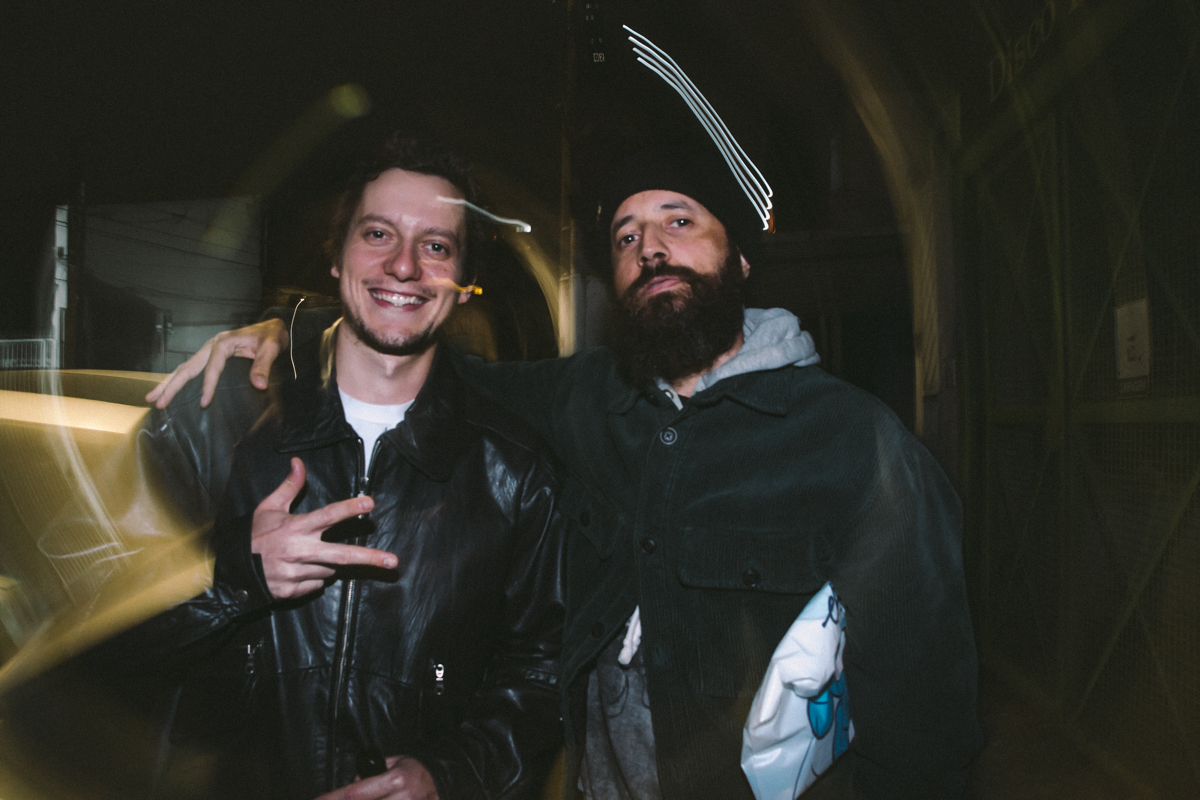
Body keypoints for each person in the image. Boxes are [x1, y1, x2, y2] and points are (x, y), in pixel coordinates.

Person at [151, 143, 983, 799]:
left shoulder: (852, 443)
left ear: (738, 260)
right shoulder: (586, 399)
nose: (650, 248)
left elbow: (926, 719)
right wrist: (294, 331)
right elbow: (419, 356)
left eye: (679, 221)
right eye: (626, 237)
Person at [119, 136, 568, 800]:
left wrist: (449, 774)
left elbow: (541, 673)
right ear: (337, 257)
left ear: (463, 283)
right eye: (377, 234)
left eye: (436, 246)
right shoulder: (212, 419)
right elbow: (105, 645)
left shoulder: (515, 471)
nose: (404, 265)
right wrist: (239, 577)